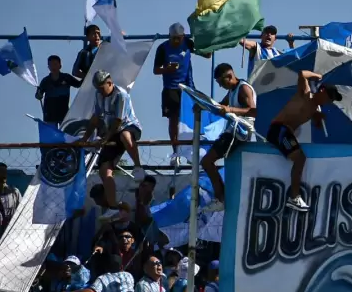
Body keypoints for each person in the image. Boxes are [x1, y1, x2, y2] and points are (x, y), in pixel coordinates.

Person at [266, 70, 342, 212]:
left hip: (285, 132)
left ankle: (294, 197)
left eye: (332, 100)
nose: (330, 101)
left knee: (300, 158)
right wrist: (317, 76)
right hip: (278, 129)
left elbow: (315, 123)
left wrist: (318, 119)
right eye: (330, 97)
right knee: (300, 158)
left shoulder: (315, 109)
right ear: (322, 91)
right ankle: (294, 197)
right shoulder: (305, 93)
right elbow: (302, 74)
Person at [82, 70, 145, 212]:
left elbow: (118, 120)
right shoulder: (98, 95)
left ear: (109, 83)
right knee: (104, 171)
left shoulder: (121, 95)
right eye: (98, 89)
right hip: (111, 132)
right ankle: (113, 206)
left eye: (102, 88)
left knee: (125, 136)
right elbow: (95, 118)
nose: (100, 91)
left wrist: (105, 139)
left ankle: (138, 166)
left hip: (128, 126)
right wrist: (85, 138)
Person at [200, 63, 257, 212]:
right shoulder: (232, 90)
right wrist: (202, 106)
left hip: (239, 133)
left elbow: (253, 111)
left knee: (207, 161)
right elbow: (219, 106)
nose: (220, 86)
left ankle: (221, 198)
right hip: (232, 132)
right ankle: (223, 196)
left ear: (230, 76)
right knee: (210, 162)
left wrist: (230, 110)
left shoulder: (243, 88)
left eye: (221, 82)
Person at [153, 23, 210, 162]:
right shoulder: (162, 48)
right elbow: (156, 70)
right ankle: (176, 152)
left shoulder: (188, 43)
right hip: (170, 88)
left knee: (193, 117)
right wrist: (167, 69)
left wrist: (207, 42)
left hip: (187, 86)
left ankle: (193, 152)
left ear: (183, 36)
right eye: (173, 38)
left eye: (178, 38)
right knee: (173, 119)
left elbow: (207, 55)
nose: (176, 41)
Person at [59, 254, 136, 292]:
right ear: (121, 267)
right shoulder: (129, 276)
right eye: (67, 265)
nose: (69, 267)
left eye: (73, 265)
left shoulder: (103, 278)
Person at [35, 55, 80, 125]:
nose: (53, 67)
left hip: (64, 114)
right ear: (48, 67)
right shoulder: (45, 81)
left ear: (60, 66)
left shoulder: (66, 77)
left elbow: (79, 84)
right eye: (51, 65)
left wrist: (89, 74)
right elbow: (38, 96)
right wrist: (39, 94)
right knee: (52, 135)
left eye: (55, 64)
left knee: (66, 134)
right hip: (49, 116)